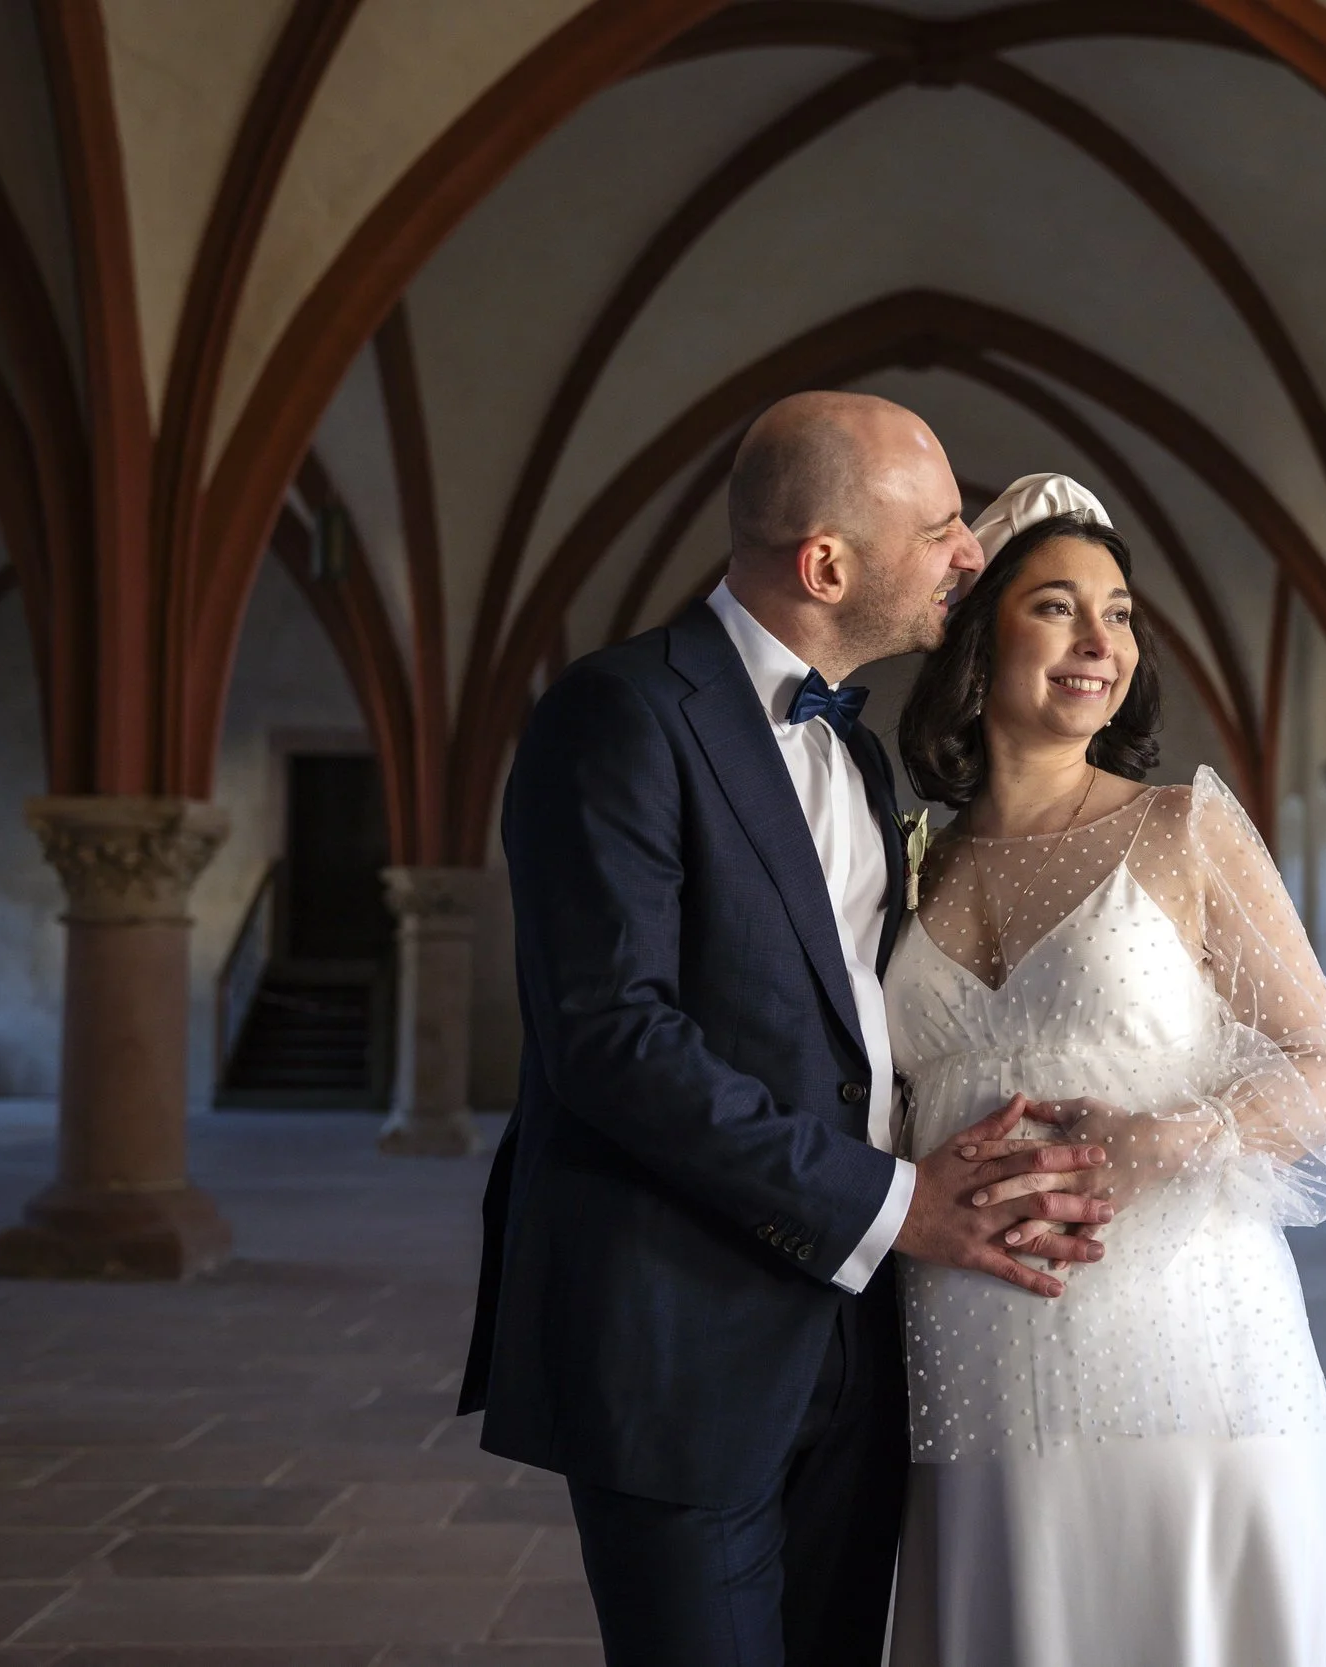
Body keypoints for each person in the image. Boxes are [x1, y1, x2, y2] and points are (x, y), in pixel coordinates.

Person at [458, 399, 1118, 1667]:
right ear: (826, 565)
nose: (971, 555)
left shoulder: (861, 758)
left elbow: (857, 1024)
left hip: (857, 1340)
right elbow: (613, 1040)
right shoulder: (620, 716)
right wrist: (896, 1203)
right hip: (679, 1336)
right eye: (938, 532)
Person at [886, 474, 1326, 1666]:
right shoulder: (908, 864)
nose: (1100, 641)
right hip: (964, 1352)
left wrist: (1163, 1140)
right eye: (1056, 606)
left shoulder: (1180, 828)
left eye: (1120, 612)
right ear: (971, 633)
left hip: (1182, 1338)